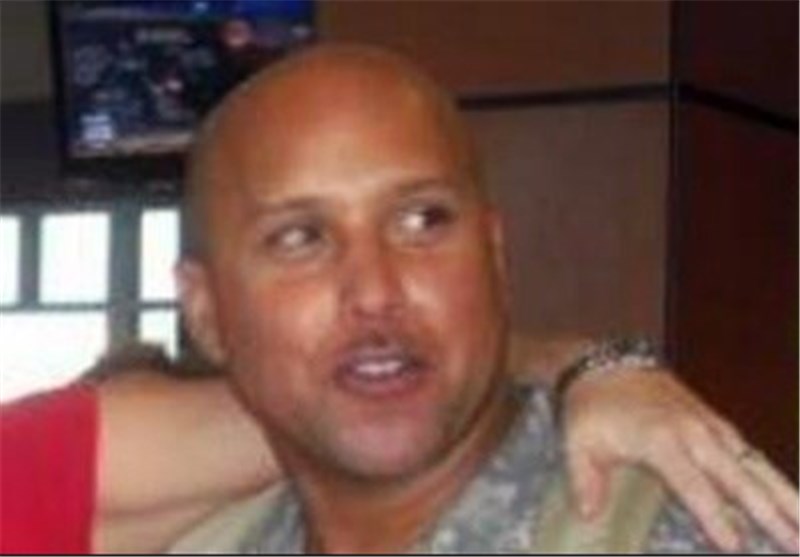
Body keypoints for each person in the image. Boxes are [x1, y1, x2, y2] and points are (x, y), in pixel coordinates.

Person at [167, 44, 797, 553]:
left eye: (423, 221)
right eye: (300, 238)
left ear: (494, 256)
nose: (376, 291)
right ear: (205, 314)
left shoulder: (679, 536)